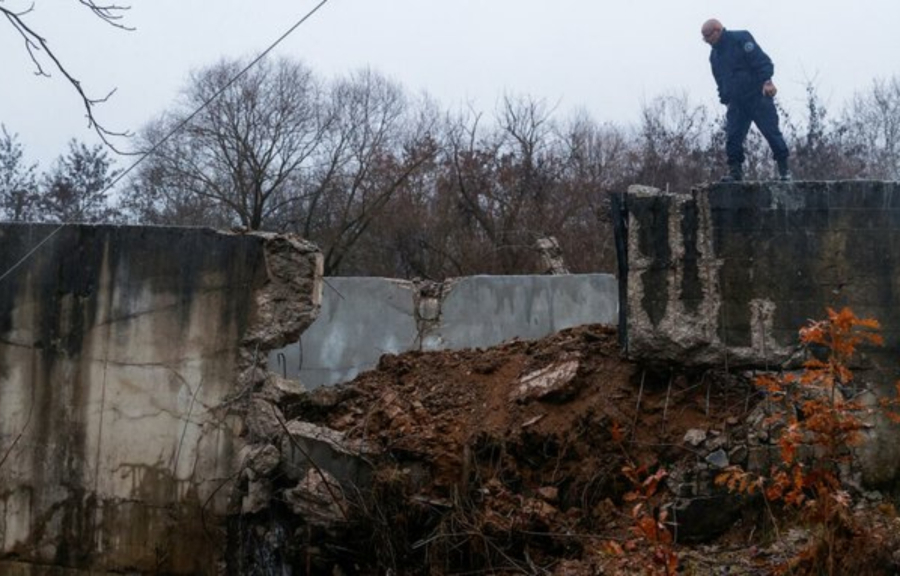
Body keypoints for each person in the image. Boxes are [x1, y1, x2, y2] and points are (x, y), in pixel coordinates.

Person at [701, 19, 791, 182]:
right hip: (736, 103)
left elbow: (761, 61)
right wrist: (725, 98)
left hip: (757, 96)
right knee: (733, 137)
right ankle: (735, 172)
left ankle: (784, 170)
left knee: (771, 132)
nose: (706, 41)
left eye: (707, 36)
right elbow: (720, 79)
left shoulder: (741, 38)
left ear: (718, 30)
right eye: (704, 38)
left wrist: (767, 81)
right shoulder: (714, 56)